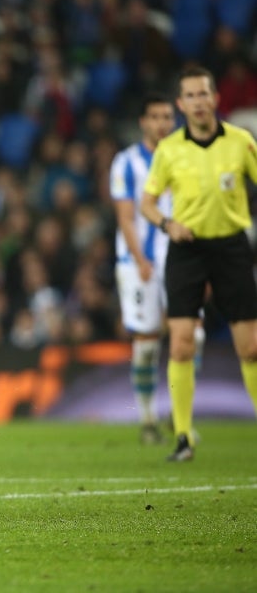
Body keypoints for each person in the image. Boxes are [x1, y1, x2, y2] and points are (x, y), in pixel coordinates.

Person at [141, 65, 257, 462]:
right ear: (181, 103)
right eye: (190, 96)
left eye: (203, 94)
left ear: (215, 98)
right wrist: (167, 224)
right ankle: (185, 437)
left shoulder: (241, 142)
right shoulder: (170, 149)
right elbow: (148, 202)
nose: (198, 101)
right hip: (187, 250)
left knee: (251, 348)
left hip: (231, 247)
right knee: (181, 345)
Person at [110, 92, 205, 445]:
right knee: (147, 342)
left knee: (193, 335)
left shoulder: (188, 158)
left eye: (168, 117)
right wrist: (141, 258)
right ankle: (148, 418)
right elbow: (125, 215)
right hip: (139, 263)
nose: (163, 123)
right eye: (156, 117)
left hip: (181, 258)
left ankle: (181, 419)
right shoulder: (126, 162)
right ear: (143, 122)